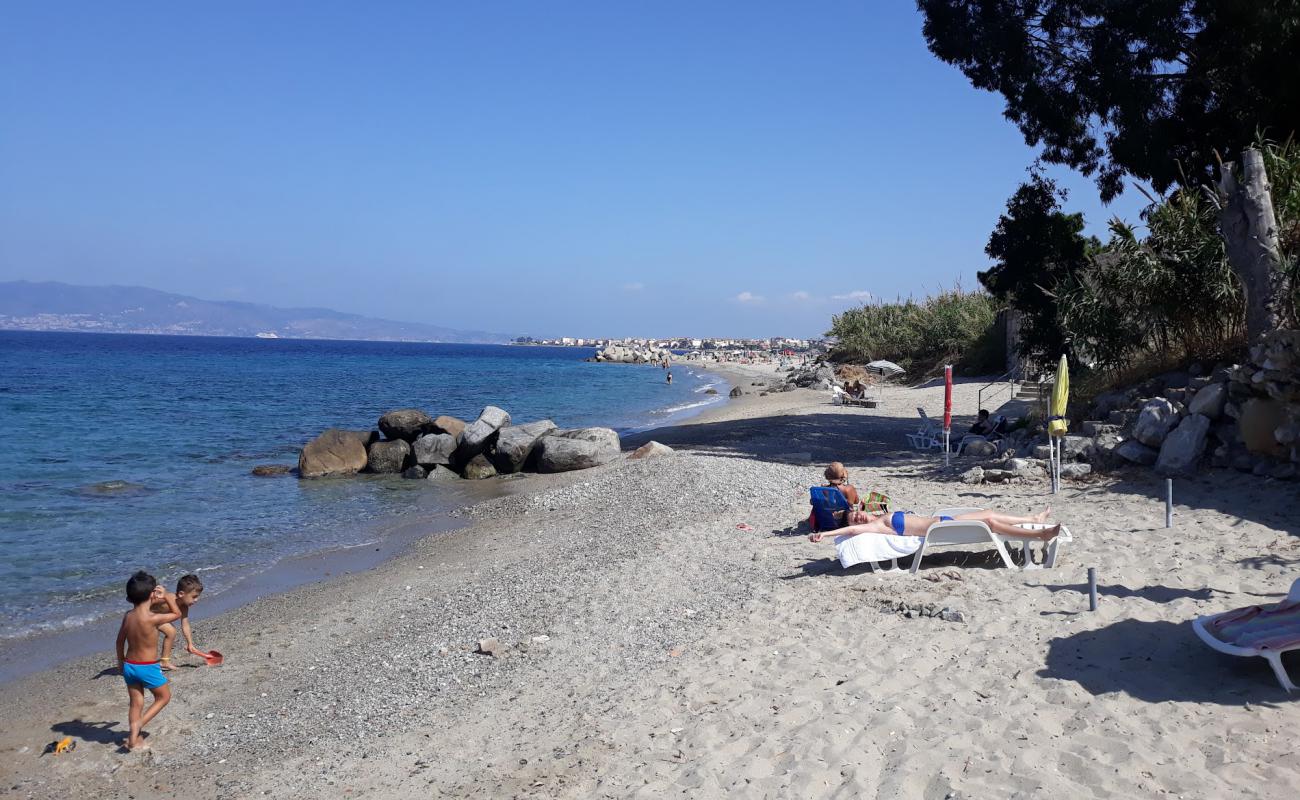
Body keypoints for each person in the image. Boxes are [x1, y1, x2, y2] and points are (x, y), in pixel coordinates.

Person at [115, 571, 181, 750]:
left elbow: (120, 641)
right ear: (153, 594)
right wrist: (166, 596)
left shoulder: (128, 616)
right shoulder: (153, 618)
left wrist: (120, 662)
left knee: (136, 702)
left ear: (129, 599)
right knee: (164, 697)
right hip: (148, 667)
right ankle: (138, 726)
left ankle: (133, 738)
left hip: (129, 666)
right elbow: (177, 613)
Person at [809, 507, 1061, 543]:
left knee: (988, 512)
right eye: (856, 519)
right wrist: (826, 533)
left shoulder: (879, 515)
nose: (859, 518)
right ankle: (1039, 535)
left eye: (857, 513)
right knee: (991, 523)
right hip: (939, 530)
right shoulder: (879, 526)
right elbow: (850, 530)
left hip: (943, 520)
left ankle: (1034, 520)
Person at [154, 574, 205, 670]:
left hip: (157, 620)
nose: (196, 600)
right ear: (181, 594)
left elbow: (185, 625)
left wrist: (190, 643)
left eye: (197, 597)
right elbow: (149, 602)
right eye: (194, 597)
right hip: (147, 618)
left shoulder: (184, 607)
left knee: (171, 631)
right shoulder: (168, 597)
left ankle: (164, 661)